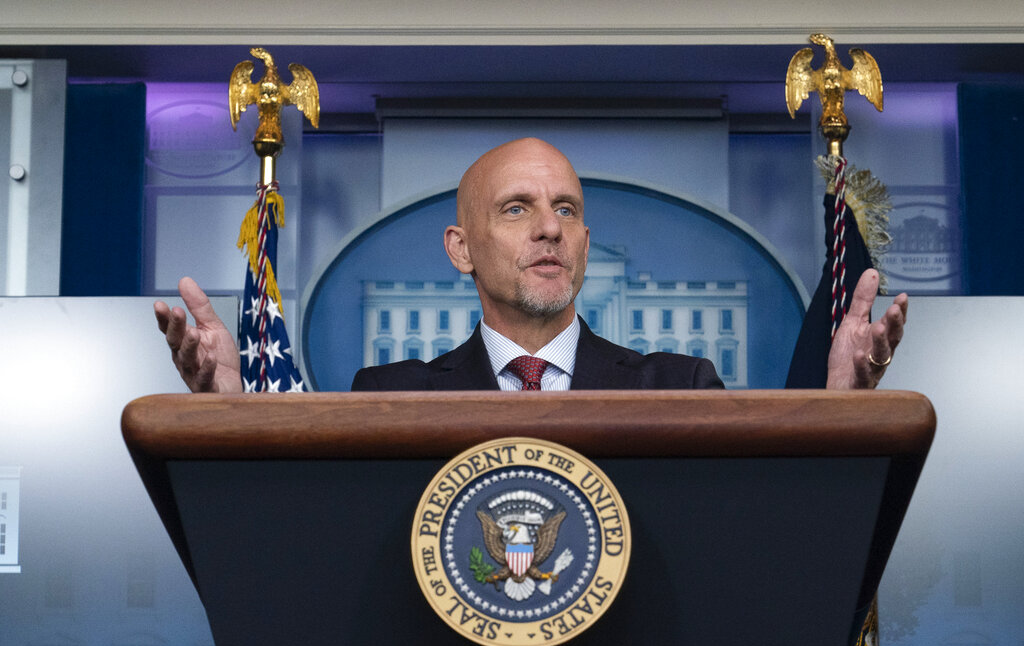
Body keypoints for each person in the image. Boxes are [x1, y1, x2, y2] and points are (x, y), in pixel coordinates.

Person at [154, 137, 907, 393]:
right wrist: (234, 416)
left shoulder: (678, 387)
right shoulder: (389, 398)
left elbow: (763, 550)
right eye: (516, 208)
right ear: (461, 249)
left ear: (584, 245)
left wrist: (841, 409)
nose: (550, 227)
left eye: (568, 210)